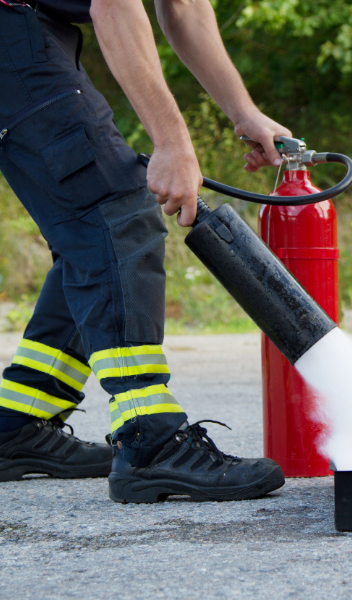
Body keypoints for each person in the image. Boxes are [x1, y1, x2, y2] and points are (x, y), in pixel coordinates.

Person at [0, 0, 290, 503]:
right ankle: (150, 442)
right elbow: (115, 6)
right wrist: (172, 142)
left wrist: (243, 112)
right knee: (115, 213)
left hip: (30, 32)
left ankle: (17, 423)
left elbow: (182, 7)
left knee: (90, 233)